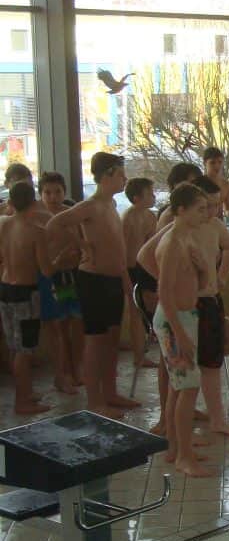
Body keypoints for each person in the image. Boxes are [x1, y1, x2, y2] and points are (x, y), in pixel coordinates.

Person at [47, 152, 138, 418]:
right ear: (108, 175)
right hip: (93, 281)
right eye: (121, 174)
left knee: (111, 339)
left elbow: (117, 248)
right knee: (96, 342)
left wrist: (125, 280)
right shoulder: (90, 206)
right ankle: (94, 399)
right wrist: (80, 244)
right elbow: (54, 224)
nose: (125, 179)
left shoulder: (110, 205)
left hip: (112, 279)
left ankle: (109, 392)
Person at [154, 184, 213, 477]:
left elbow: (198, 285)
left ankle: (176, 447)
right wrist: (179, 333)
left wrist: (202, 269)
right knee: (188, 387)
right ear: (180, 210)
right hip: (173, 320)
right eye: (200, 208)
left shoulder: (186, 238)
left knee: (181, 387)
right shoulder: (173, 242)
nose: (206, 213)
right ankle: (183, 456)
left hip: (184, 316)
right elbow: (163, 292)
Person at [191, 176, 229, 437]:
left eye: (215, 206)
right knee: (190, 367)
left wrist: (221, 276)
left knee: (214, 359)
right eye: (207, 206)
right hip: (191, 303)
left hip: (210, 299)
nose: (213, 211)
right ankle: (208, 421)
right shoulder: (179, 227)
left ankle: (214, 417)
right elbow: (147, 257)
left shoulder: (213, 225)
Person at [0, 182, 54, 414]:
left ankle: (26, 391)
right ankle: (21, 401)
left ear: (10, 202)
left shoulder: (2, 224)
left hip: (4, 288)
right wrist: (61, 259)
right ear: (34, 202)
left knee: (14, 345)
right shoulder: (36, 232)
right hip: (25, 292)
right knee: (25, 349)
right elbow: (46, 270)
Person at [39, 172, 83, 393]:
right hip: (52, 277)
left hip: (73, 275)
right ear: (40, 194)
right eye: (47, 192)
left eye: (57, 192)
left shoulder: (71, 215)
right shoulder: (38, 218)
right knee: (59, 327)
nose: (53, 197)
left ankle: (76, 369)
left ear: (65, 192)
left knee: (77, 323)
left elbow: (83, 244)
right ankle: (64, 372)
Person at [122, 176, 159, 370]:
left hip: (146, 268)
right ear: (137, 198)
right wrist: (125, 276)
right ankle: (139, 355)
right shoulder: (128, 218)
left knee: (153, 304)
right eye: (150, 194)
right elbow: (121, 249)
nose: (154, 197)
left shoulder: (151, 217)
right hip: (131, 268)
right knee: (135, 313)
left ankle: (153, 336)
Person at [203, 147, 229, 221]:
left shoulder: (225, 184)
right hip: (202, 225)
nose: (217, 166)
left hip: (219, 225)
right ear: (205, 163)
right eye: (212, 163)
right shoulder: (200, 183)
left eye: (220, 162)